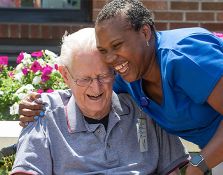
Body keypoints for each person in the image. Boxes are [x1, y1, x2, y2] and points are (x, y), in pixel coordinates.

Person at [19, 0, 223, 174]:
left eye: (116, 46)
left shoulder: (184, 57)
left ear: (145, 32)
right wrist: (37, 104)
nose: (110, 59)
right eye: (103, 50)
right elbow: (87, 87)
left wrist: (198, 164)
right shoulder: (128, 74)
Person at [11, 28, 189, 175]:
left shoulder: (144, 107)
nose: (96, 88)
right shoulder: (43, 112)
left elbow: (177, 170)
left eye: (103, 76)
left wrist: (201, 162)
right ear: (65, 75)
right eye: (85, 79)